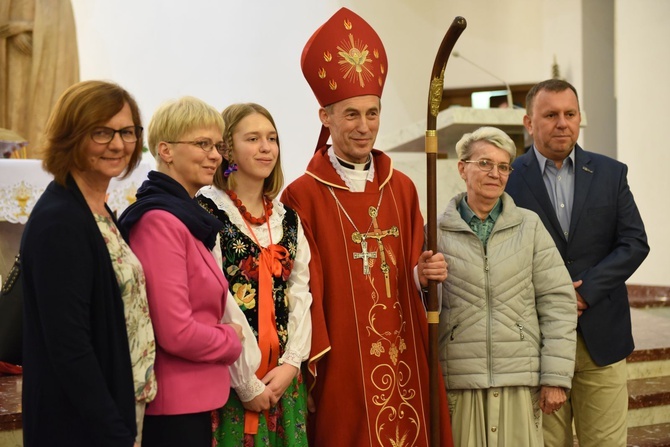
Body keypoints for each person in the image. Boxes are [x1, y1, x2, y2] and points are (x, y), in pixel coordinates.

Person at [281, 7, 453, 447]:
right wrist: (312, 363)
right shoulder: (304, 195)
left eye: (372, 114)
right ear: (326, 117)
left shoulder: (403, 188)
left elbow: (410, 266)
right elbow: (304, 287)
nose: (364, 127)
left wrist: (421, 274)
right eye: (352, 114)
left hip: (405, 347)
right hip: (343, 358)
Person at [505, 79, 650, 447]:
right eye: (550, 114)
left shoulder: (610, 173)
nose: (562, 123)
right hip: (535, 341)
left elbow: (634, 242)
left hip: (600, 337)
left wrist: (586, 292)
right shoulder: (507, 179)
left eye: (570, 114)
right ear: (528, 122)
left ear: (579, 117)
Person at [20, 80, 155, 446]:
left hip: (116, 407)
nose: (118, 144)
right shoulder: (60, 221)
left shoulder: (98, 210)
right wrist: (113, 430)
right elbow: (69, 346)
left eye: (127, 132)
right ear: (71, 136)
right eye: (101, 132)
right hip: (81, 424)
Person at [436, 126, 577, 446]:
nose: (495, 173)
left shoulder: (529, 227)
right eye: (484, 163)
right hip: (461, 381)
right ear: (462, 167)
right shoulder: (437, 231)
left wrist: (555, 377)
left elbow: (558, 302)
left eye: (503, 167)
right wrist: (420, 276)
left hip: (520, 379)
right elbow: (422, 303)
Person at [118, 96, 244, 447]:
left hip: (193, 398)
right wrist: (230, 339)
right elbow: (174, 331)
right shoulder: (159, 221)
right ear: (165, 150)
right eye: (203, 144)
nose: (215, 155)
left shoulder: (184, 217)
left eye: (218, 146)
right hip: (172, 405)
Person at [197, 103, 312, 446]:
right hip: (233, 380)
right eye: (253, 138)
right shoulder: (207, 214)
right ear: (228, 148)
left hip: (283, 380)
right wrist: (245, 381)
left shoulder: (287, 219)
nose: (266, 147)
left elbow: (300, 292)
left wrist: (292, 363)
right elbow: (217, 302)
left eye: (272, 138)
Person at [0, 0, 79, 158]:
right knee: (12, 109)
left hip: (43, 63)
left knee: (39, 112)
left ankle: (37, 156)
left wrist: (26, 27)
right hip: (8, 60)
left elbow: (61, 27)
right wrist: (10, 30)